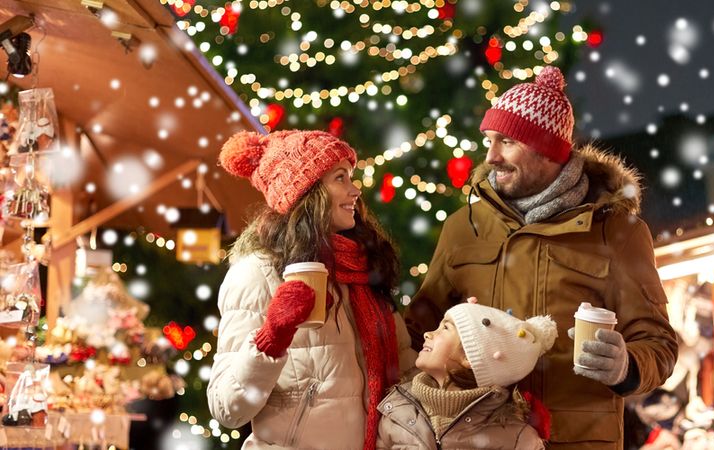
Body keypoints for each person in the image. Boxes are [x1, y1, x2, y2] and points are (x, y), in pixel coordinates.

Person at [406, 66, 678, 450]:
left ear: (546, 149)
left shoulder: (617, 232)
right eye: (489, 140)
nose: (491, 156)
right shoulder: (462, 228)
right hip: (479, 440)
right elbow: (418, 330)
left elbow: (659, 344)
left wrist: (627, 366)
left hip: (573, 442)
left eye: (506, 141)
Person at [208, 130, 417, 450]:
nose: (355, 189)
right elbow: (227, 408)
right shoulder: (257, 274)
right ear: (306, 193)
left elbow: (404, 374)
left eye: (351, 177)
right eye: (340, 178)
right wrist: (271, 338)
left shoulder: (364, 267)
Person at [378, 300, 555, 449]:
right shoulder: (395, 411)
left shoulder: (517, 438)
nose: (428, 334)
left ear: (470, 356)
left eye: (445, 328)